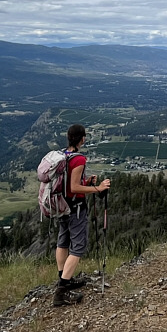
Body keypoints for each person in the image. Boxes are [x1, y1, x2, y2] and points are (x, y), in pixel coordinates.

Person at [54, 124, 111, 307]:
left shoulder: (64, 155)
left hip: (62, 207)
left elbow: (68, 185)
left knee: (63, 242)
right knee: (78, 247)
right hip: (75, 209)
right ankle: (61, 292)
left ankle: (63, 277)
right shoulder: (79, 159)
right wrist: (98, 188)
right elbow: (74, 187)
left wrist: (86, 181)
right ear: (82, 139)